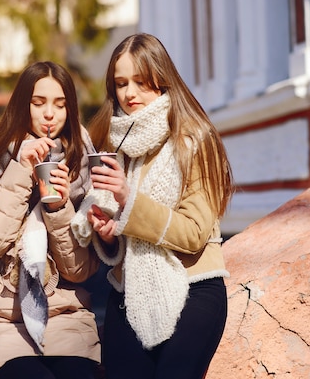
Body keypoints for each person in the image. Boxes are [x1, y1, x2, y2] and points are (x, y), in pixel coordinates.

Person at [71, 33, 234, 379]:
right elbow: (124, 232)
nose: (129, 94)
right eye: (120, 83)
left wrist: (129, 200)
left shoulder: (193, 139)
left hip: (194, 286)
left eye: (140, 82)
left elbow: (193, 233)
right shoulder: (114, 142)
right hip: (127, 291)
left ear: (161, 79)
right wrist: (110, 232)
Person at [0, 61, 101, 379]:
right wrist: (21, 171)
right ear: (22, 106)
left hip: (64, 314)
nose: (50, 114)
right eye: (39, 103)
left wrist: (59, 207)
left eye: (60, 105)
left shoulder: (81, 166)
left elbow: (79, 271)